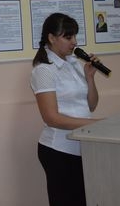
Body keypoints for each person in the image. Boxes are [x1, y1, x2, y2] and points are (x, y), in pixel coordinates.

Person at [31, 13, 101, 206]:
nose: (74, 42)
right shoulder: (43, 70)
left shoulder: (74, 63)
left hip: (82, 147)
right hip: (58, 151)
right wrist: (95, 124)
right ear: (51, 38)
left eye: (75, 36)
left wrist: (90, 78)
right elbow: (52, 118)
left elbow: (91, 105)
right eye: (68, 37)